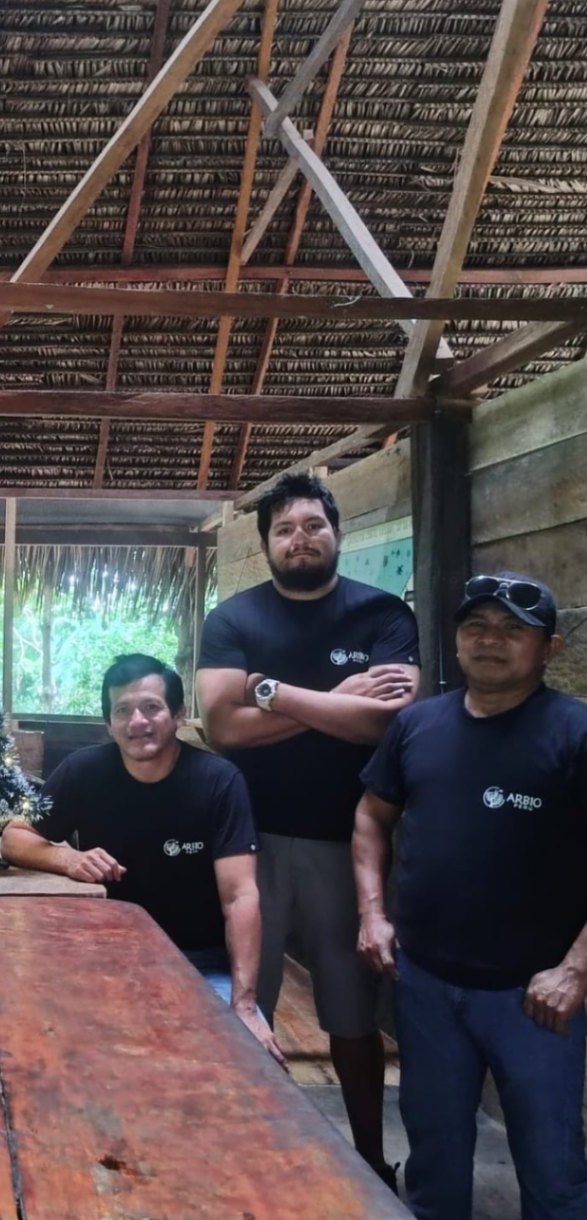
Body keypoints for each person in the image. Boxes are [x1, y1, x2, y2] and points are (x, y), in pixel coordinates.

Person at [195, 472, 419, 1186]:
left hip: (343, 845)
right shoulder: (232, 619)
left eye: (312, 525)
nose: (300, 538)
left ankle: (368, 1159)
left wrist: (271, 691)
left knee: (352, 1017)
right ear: (265, 543)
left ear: (336, 533)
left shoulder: (382, 614)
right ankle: (243, 1158)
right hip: (246, 845)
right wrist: (332, 700)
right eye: (285, 529)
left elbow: (384, 721)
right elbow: (223, 728)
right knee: (243, 1007)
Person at [355, 572, 587, 1220]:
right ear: (455, 641)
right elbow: (370, 817)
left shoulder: (573, 733)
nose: (491, 641)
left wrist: (575, 969)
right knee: (433, 1162)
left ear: (550, 648)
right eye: (475, 627)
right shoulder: (416, 726)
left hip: (535, 1000)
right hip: (424, 986)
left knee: (551, 1171)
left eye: (513, 629)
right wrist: (372, 914)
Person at [0, 653, 284, 1066]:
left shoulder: (219, 782)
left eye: (151, 707)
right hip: (105, 960)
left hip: (201, 963)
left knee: (253, 1063)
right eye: (123, 711)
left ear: (179, 716)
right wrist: (68, 858)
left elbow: (240, 897)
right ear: (108, 724)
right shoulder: (84, 771)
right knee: (47, 1056)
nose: (137, 722)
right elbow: (14, 837)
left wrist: (244, 1005)